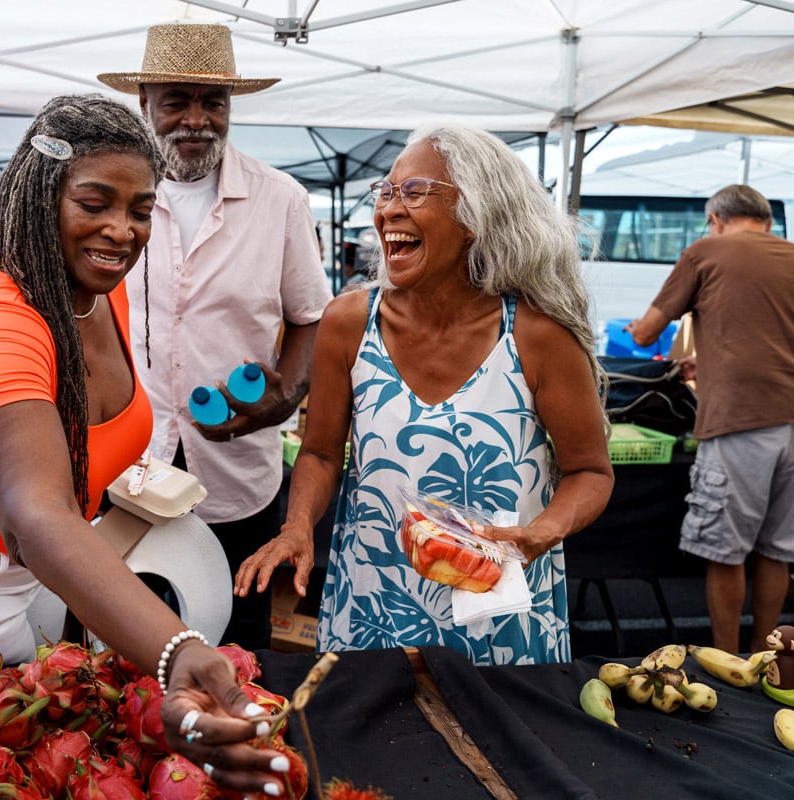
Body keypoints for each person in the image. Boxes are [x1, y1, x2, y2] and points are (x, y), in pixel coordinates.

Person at [0, 94, 291, 794]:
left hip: (22, 576)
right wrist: (177, 651)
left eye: (140, 210)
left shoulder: (99, 288)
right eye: (95, 203)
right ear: (41, 195)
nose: (121, 230)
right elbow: (36, 517)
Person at [235, 126, 614, 665]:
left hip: (496, 615)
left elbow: (590, 472)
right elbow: (320, 452)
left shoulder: (537, 335)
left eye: (413, 192)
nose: (389, 210)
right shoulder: (348, 322)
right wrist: (297, 527)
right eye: (385, 193)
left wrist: (535, 535)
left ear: (476, 214)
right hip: (372, 609)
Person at [98, 23, 333, 651]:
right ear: (144, 102)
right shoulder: (113, 199)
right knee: (128, 636)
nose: (196, 120)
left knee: (239, 638)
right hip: (128, 461)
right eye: (177, 101)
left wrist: (284, 398)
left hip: (239, 464)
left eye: (214, 103)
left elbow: (312, 316)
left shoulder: (279, 199)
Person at [626, 184, 794, 653]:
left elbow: (645, 334)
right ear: (766, 220)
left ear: (715, 219)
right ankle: (767, 658)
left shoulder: (706, 251)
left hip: (738, 420)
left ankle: (725, 660)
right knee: (777, 551)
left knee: (726, 551)